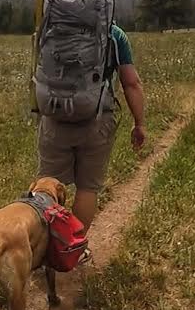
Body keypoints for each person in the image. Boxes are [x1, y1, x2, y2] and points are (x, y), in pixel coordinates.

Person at [35, 22, 146, 229]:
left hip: (54, 116)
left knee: (47, 186)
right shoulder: (114, 34)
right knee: (87, 189)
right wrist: (139, 123)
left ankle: (45, 248)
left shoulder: (50, 26)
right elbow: (131, 82)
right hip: (97, 121)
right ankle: (72, 248)